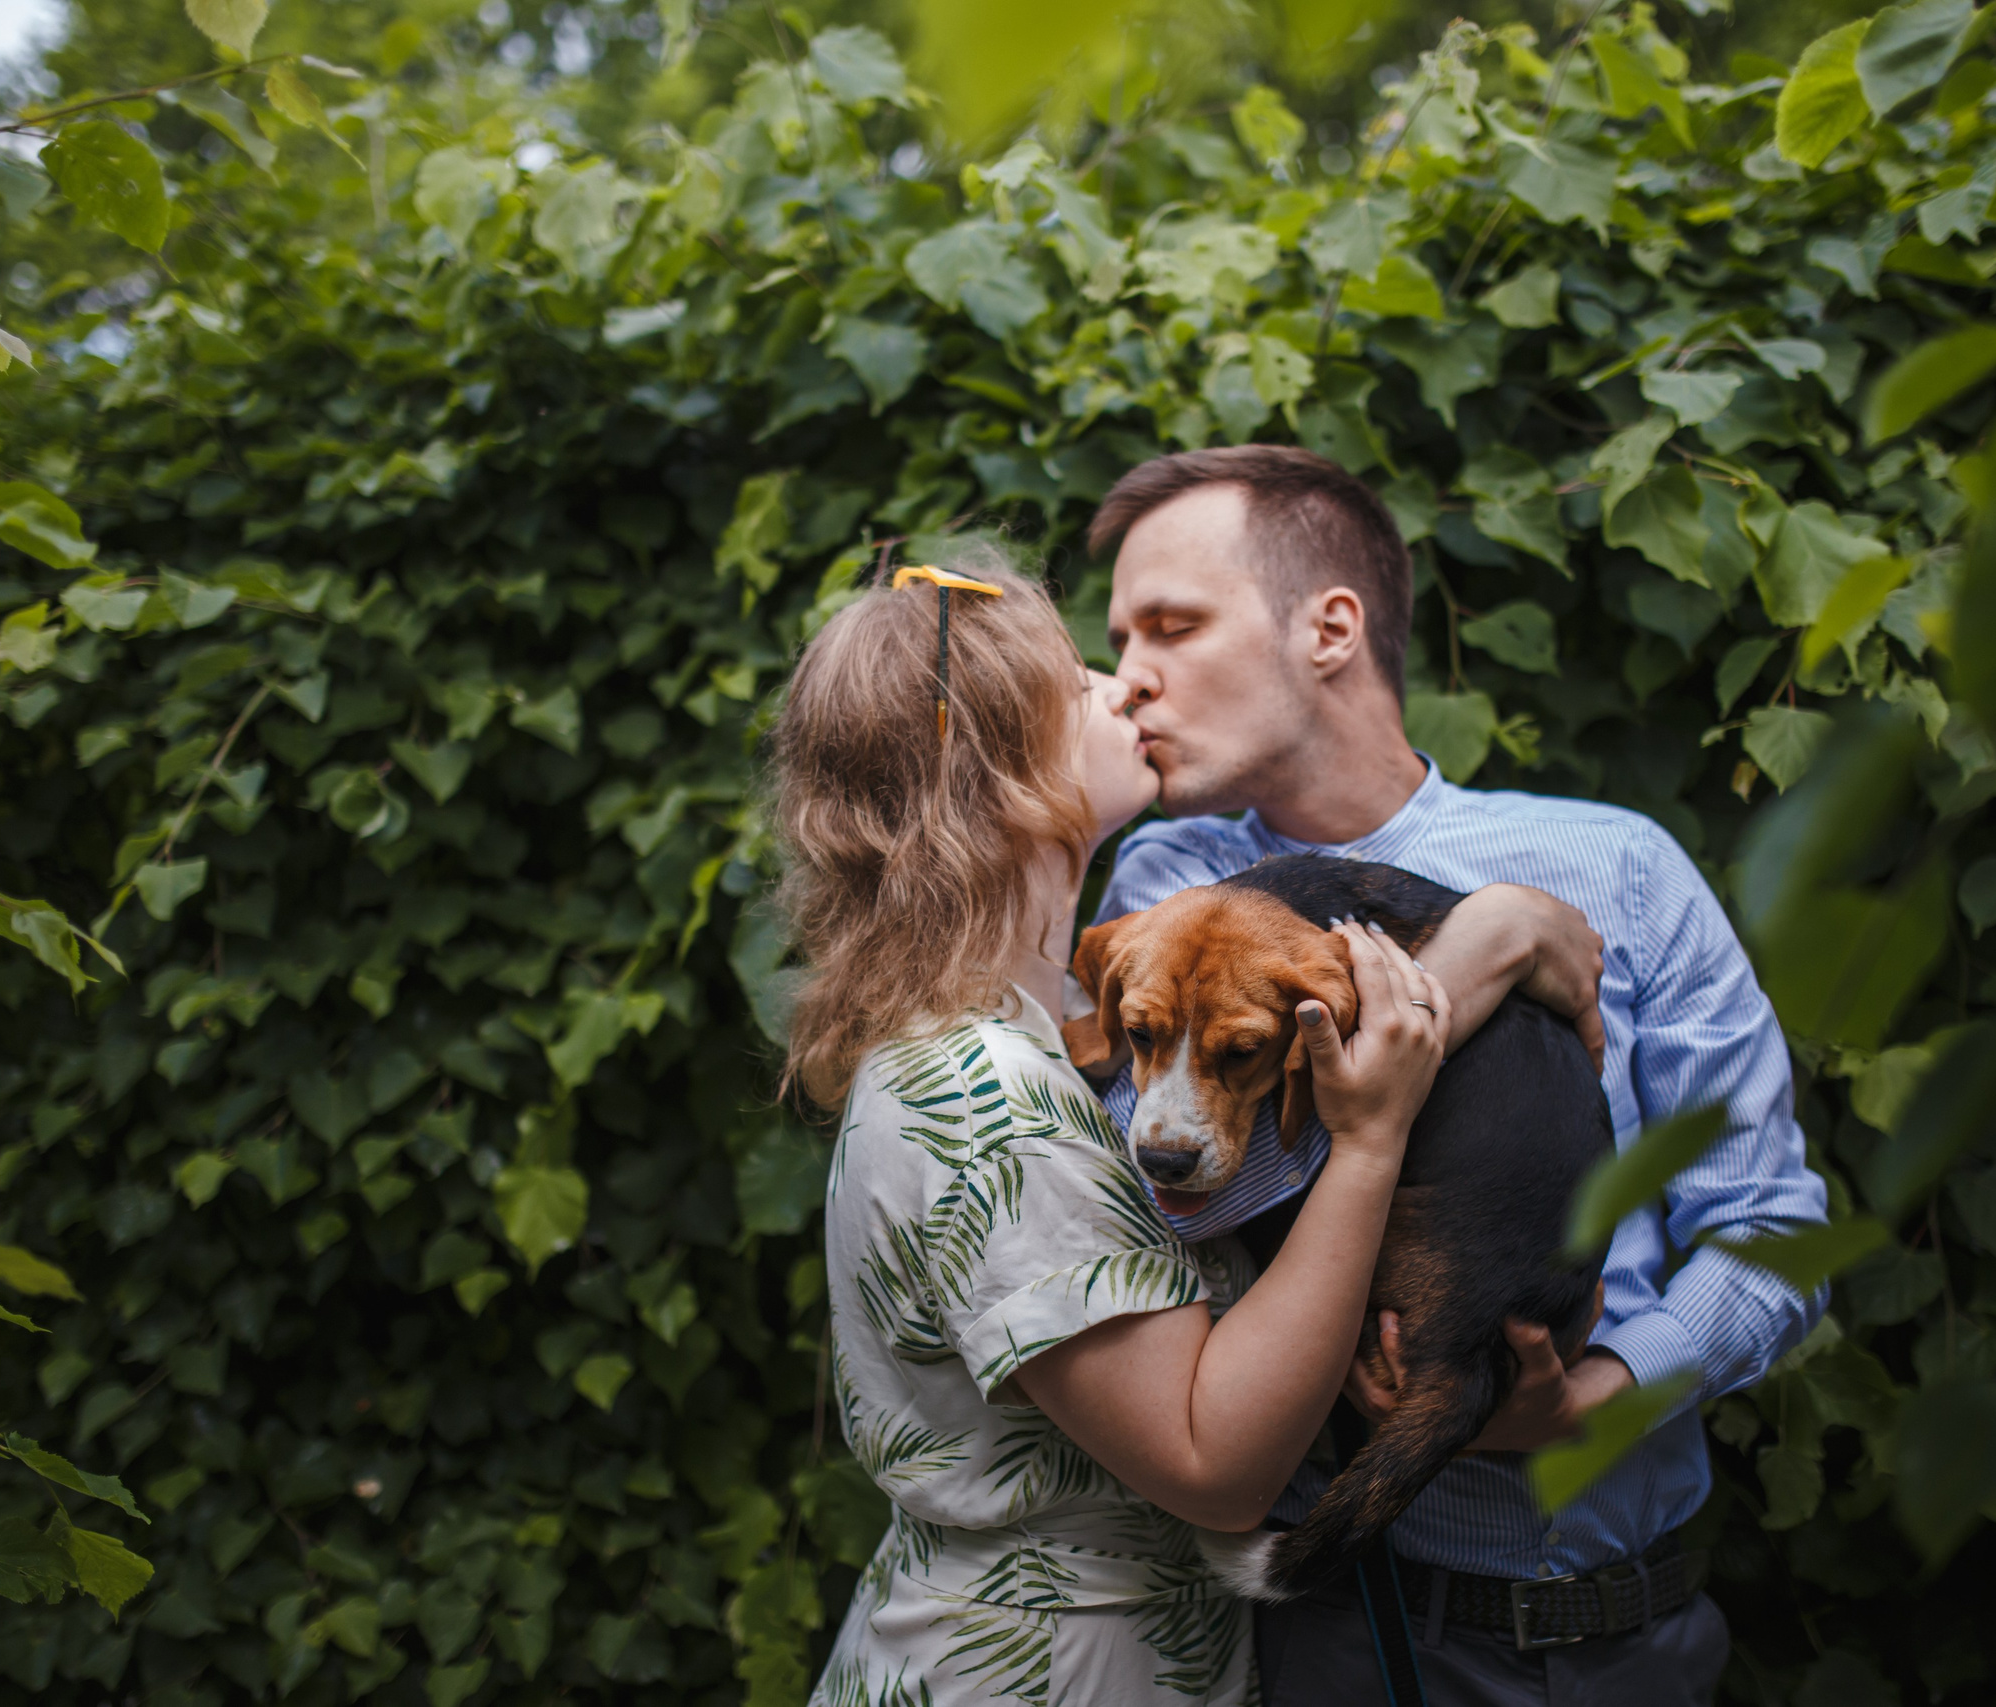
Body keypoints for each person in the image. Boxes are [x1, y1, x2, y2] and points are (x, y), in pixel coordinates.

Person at [1086, 446, 1831, 1706]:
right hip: (1354, 1629)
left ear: (1329, 628)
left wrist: (1600, 1396)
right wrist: (1480, 950)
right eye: (1119, 638)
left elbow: (1770, 1230)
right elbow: (1186, 1195)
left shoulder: (1618, 870)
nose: (1127, 681)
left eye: (1172, 625)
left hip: (1636, 1632)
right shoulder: (1173, 893)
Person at [778, 556, 1507, 1706]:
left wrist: (1509, 925)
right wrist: (1368, 1143)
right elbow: (1213, 1467)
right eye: (1078, 680)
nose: (1126, 687)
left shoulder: (1053, 1029)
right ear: (1005, 777)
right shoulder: (986, 1096)